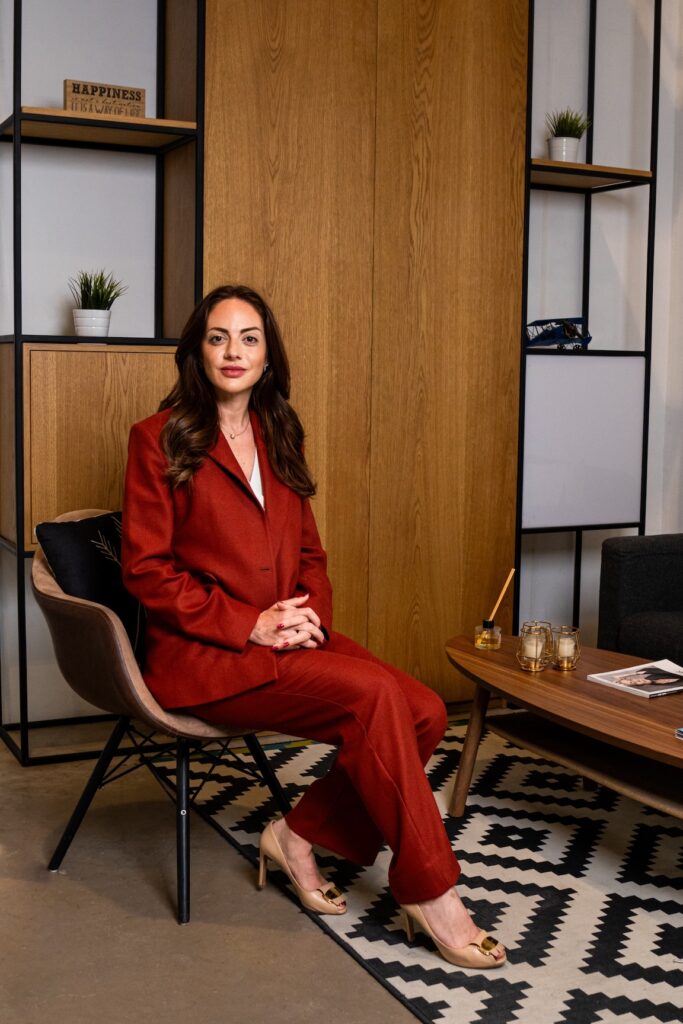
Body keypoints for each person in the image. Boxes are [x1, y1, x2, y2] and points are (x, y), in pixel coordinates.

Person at [121, 284, 506, 970]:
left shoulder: (280, 432)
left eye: (249, 338)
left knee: (422, 710)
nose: (233, 351)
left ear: (267, 356)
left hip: (286, 637)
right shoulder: (157, 438)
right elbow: (146, 572)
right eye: (217, 337)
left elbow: (310, 556)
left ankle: (295, 835)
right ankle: (432, 891)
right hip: (207, 657)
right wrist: (251, 625)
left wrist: (306, 620)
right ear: (197, 352)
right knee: (375, 698)